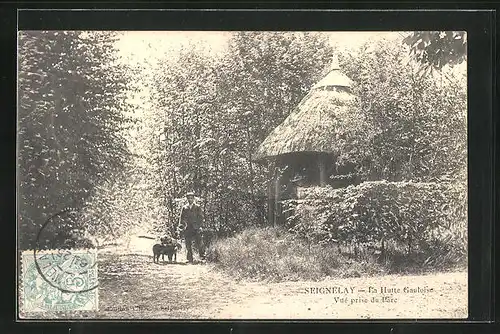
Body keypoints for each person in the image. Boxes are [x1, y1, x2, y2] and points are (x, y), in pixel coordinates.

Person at [178, 191, 205, 263]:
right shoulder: (184, 208)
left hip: (196, 227)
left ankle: (202, 258)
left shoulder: (197, 207)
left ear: (193, 199)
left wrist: (200, 226)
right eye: (188, 198)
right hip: (187, 228)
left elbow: (201, 218)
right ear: (187, 199)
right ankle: (189, 259)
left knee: (199, 242)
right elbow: (181, 218)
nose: (190, 200)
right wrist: (181, 227)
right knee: (188, 243)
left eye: (191, 198)